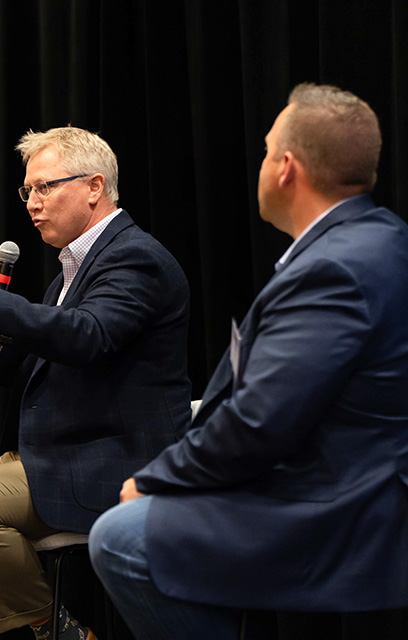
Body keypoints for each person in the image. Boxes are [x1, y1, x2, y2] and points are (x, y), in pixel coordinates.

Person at [88, 84, 408, 639]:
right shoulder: (381, 238)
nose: (258, 164)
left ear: (286, 169)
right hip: (345, 475)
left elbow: (261, 421)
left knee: (121, 535)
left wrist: (157, 478)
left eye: (264, 152)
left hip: (347, 504)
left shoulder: (333, 268)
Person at [0, 126, 191, 640]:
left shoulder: (133, 257)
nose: (32, 202)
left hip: (108, 461)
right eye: (28, 191)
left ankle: (53, 630)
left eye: (46, 187)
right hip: (54, 456)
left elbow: (90, 337)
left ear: (95, 187)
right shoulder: (69, 272)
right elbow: (35, 362)